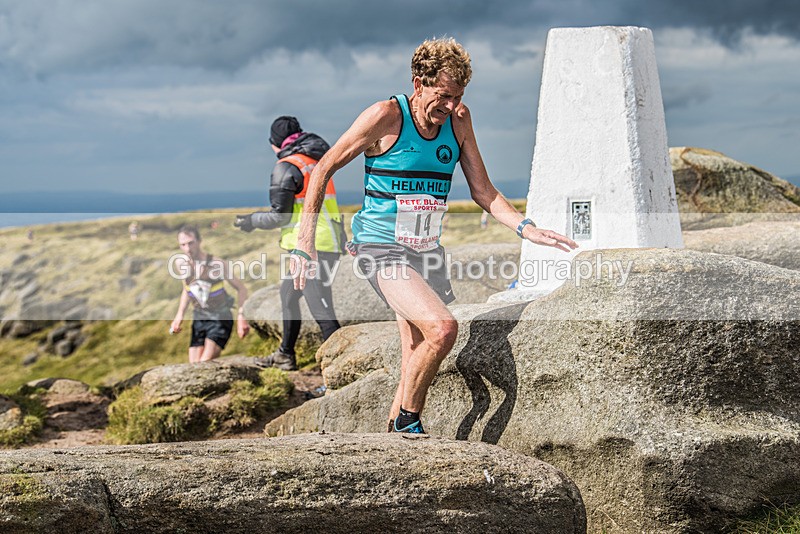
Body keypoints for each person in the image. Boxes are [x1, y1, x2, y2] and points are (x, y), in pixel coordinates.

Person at [290, 38, 578, 434]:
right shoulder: (386, 115)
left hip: (425, 252)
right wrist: (304, 242)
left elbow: (484, 191)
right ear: (418, 82)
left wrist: (527, 229)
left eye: (458, 96)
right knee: (442, 329)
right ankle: (410, 420)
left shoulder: (459, 119)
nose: (450, 106)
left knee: (414, 349)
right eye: (442, 96)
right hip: (380, 247)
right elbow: (322, 169)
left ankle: (393, 437)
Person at [234, 116, 345, 371]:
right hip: (325, 241)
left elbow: (279, 215)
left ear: (275, 143)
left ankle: (341, 369)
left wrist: (251, 221)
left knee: (322, 311)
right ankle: (285, 354)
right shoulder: (317, 161)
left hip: (310, 247)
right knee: (288, 296)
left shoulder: (287, 166)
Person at [170, 225, 250, 363]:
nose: (187, 248)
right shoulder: (182, 264)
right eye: (183, 245)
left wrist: (241, 318)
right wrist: (179, 316)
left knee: (204, 364)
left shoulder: (216, 263)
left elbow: (241, 289)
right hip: (199, 317)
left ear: (199, 241)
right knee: (193, 366)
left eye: (191, 243)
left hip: (220, 317)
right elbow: (187, 289)